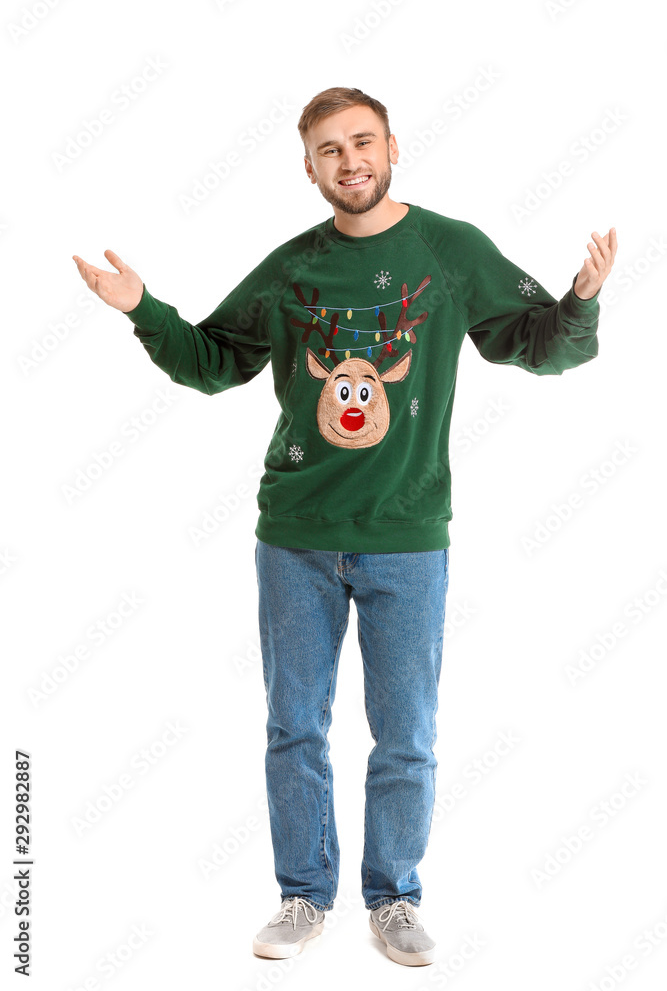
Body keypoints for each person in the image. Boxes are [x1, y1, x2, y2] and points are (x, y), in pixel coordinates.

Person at [72, 86, 617, 968]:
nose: (349, 161)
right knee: (295, 726)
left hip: (408, 537)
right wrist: (143, 308)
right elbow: (214, 363)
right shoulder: (292, 269)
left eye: (362, 142)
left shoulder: (448, 251)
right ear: (309, 168)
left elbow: (536, 342)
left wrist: (580, 299)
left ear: (392, 147)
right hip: (295, 535)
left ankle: (394, 899)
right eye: (329, 150)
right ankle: (302, 894)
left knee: (406, 734)